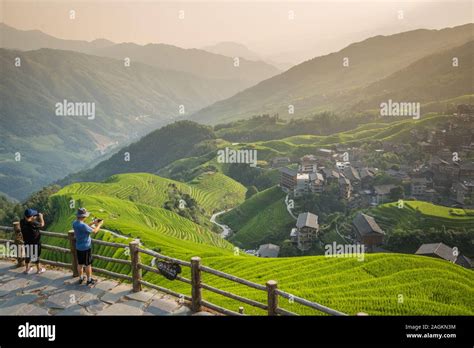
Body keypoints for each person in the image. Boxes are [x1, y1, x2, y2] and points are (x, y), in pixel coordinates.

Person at [72, 208, 103, 285]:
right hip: (86, 247)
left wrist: (93, 222)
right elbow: (95, 231)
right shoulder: (83, 225)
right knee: (88, 264)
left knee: (80, 264)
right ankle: (89, 280)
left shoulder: (75, 223)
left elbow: (85, 226)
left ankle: (81, 278)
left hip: (78, 246)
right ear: (83, 217)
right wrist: (99, 225)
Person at [20, 208, 45, 274]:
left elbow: (28, 221)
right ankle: (39, 269)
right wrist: (41, 217)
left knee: (28, 255)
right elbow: (42, 224)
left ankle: (27, 269)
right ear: (31, 217)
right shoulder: (34, 223)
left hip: (27, 242)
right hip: (35, 243)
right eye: (33, 216)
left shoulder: (22, 222)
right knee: (36, 255)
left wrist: (33, 218)